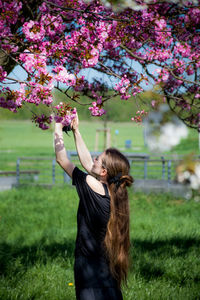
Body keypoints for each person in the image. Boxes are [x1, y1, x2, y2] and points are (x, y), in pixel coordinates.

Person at [54, 112, 133, 300]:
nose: (94, 158)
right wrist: (76, 131)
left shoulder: (92, 186)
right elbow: (88, 163)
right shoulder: (114, 193)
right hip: (106, 270)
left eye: (98, 158)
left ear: (104, 171)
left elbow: (62, 160)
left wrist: (57, 127)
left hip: (88, 268)